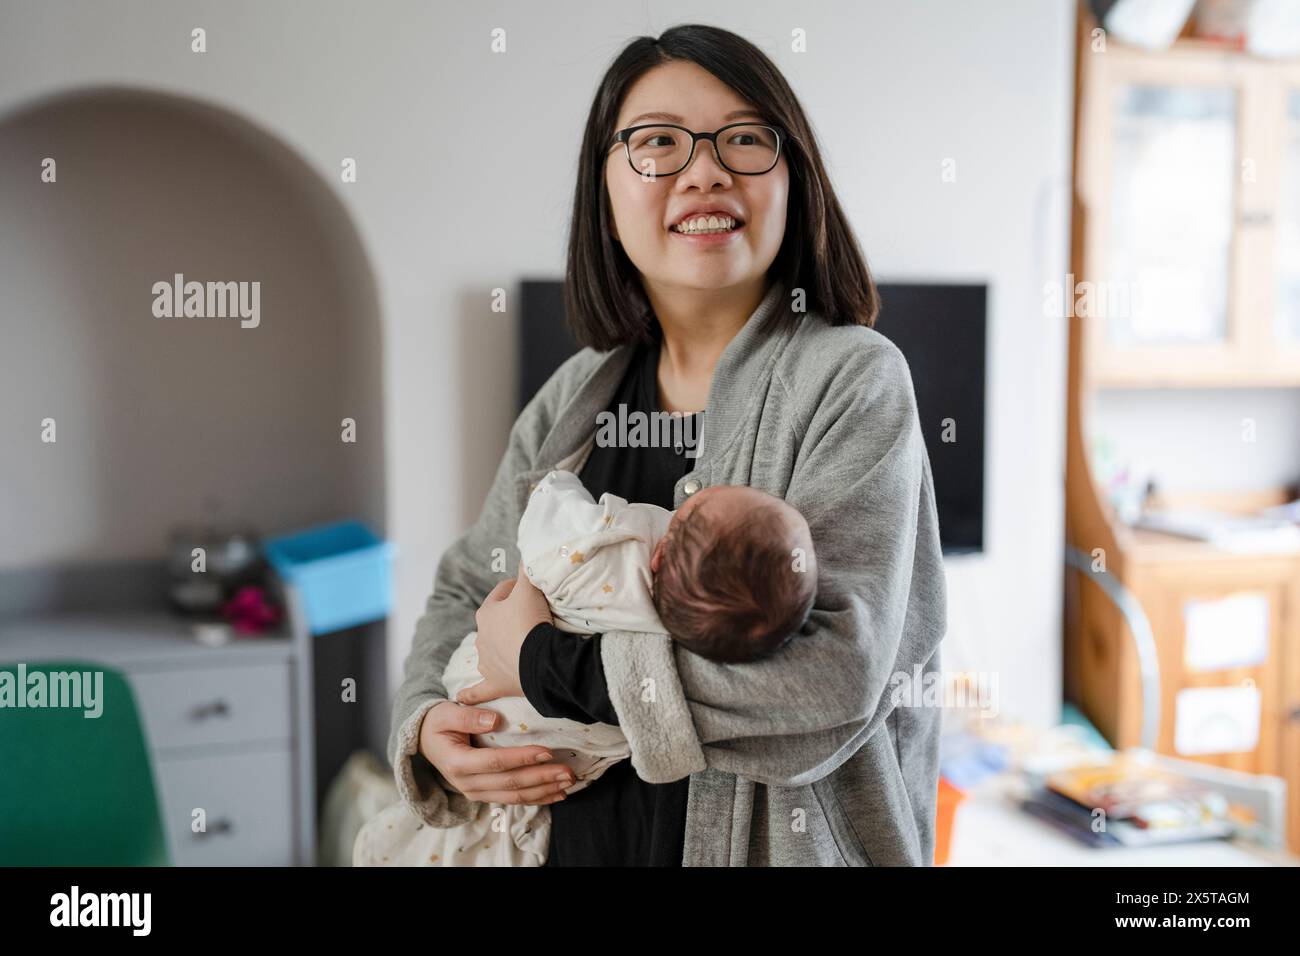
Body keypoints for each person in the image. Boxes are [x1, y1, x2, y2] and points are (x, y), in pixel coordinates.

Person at [387, 23, 947, 866]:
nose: (706, 169)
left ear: (794, 181)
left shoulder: (853, 381)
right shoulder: (573, 398)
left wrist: (546, 664)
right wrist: (429, 720)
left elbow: (832, 685)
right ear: (605, 194)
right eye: (657, 143)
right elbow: (467, 587)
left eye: (747, 139)